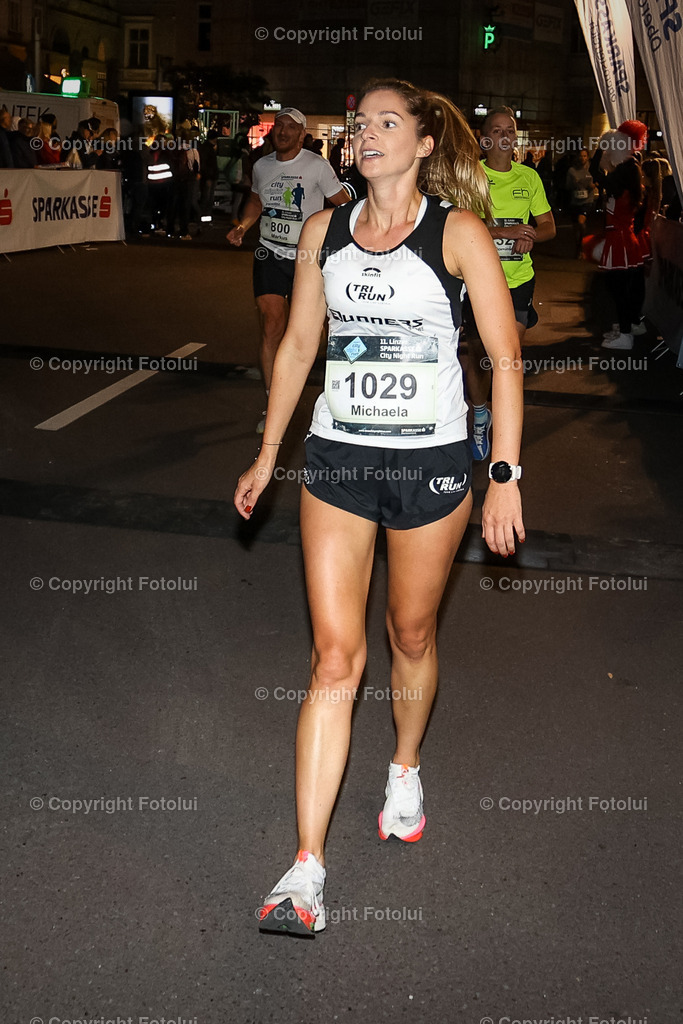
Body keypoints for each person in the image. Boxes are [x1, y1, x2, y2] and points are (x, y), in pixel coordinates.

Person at [234, 78, 525, 939]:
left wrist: (502, 474)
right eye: (359, 123)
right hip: (337, 462)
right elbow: (296, 348)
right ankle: (305, 869)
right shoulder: (323, 234)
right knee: (332, 658)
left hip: (432, 464)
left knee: (410, 634)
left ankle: (403, 765)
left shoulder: (457, 234)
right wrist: (264, 453)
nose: (366, 133)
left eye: (385, 122)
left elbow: (504, 360)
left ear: (424, 143)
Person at [227, 107, 348, 433]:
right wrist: (243, 225)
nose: (281, 132)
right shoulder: (263, 165)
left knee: (310, 332)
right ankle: (273, 401)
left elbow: (343, 204)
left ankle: (335, 398)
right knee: (272, 325)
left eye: (289, 127)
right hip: (269, 251)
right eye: (278, 126)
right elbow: (256, 200)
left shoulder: (316, 166)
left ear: (301, 133)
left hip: (306, 258)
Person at [464, 106, 555, 460]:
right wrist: (504, 231)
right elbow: (459, 227)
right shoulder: (471, 177)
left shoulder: (529, 177)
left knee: (508, 356)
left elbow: (548, 226)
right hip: (479, 280)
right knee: (478, 355)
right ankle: (480, 414)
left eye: (510, 129)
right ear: (484, 138)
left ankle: (503, 433)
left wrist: (531, 236)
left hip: (518, 279)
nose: (504, 135)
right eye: (496, 130)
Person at [584, 121, 648, 350]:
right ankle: (625, 327)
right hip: (621, 239)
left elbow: (595, 171)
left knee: (619, 290)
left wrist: (602, 146)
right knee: (621, 288)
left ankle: (626, 333)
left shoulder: (623, 176)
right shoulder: (627, 176)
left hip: (620, 241)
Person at [566, 148, 596, 257]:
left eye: (584, 156)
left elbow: (598, 180)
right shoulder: (572, 171)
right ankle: (577, 246)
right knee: (575, 227)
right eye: (581, 156)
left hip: (587, 200)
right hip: (575, 200)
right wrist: (574, 184)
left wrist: (594, 185)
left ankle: (582, 247)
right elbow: (567, 186)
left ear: (587, 157)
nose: (582, 158)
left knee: (581, 222)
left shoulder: (591, 169)